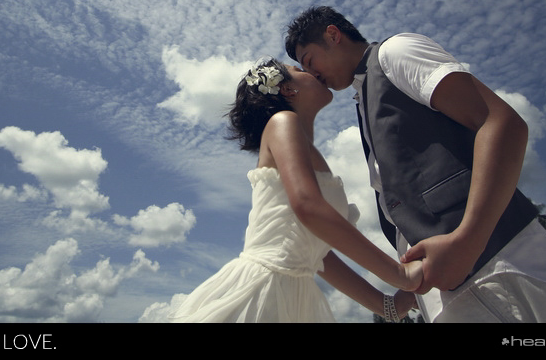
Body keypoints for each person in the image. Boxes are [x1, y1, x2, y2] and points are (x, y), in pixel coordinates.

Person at [285, 6, 546, 323]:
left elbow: (500, 123)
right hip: (449, 289)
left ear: (333, 35)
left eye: (308, 61)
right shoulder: (363, 97)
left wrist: (468, 241)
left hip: (495, 267)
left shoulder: (394, 52)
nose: (312, 73)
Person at [169, 58, 422, 322]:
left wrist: (386, 306)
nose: (311, 71)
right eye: (299, 70)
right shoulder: (283, 121)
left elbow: (317, 255)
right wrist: (399, 274)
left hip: (289, 292)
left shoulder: (301, 144)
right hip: (262, 288)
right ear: (288, 91)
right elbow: (308, 206)